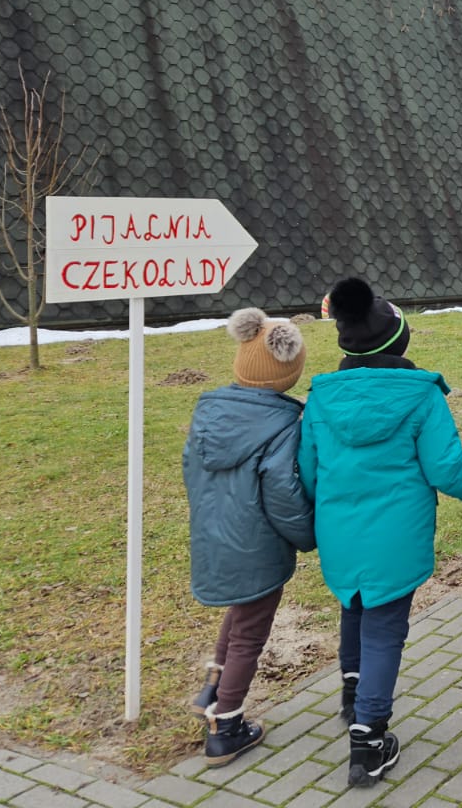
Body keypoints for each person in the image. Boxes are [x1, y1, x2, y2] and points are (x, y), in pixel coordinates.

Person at [300, 278, 462, 788]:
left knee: (353, 606)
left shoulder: (320, 398)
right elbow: (449, 471)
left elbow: (308, 473)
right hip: (396, 537)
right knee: (384, 629)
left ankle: (352, 692)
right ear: (400, 342)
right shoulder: (421, 396)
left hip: (339, 532)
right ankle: (369, 738)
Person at [183, 309, 316, 767]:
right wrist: (309, 534)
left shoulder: (209, 413)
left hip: (214, 533)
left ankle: (212, 689)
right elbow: (283, 495)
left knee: (241, 612)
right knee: (250, 634)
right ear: (288, 371)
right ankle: (227, 726)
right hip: (258, 544)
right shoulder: (282, 425)